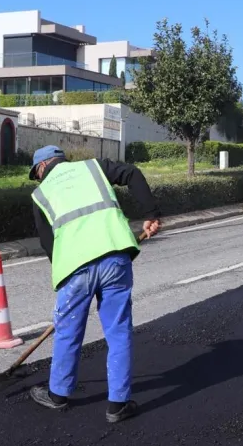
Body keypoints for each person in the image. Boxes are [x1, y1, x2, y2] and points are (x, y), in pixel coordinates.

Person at [26, 145, 162, 423]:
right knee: (118, 330)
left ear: (42, 167)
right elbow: (132, 173)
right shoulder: (92, 167)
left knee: (67, 332)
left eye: (37, 174)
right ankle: (117, 406)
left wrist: (67, 274)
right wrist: (151, 213)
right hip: (115, 256)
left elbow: (48, 243)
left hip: (75, 269)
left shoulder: (39, 193)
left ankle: (58, 396)